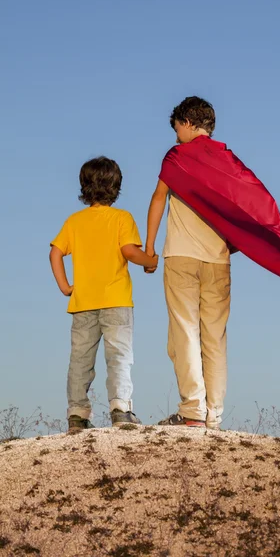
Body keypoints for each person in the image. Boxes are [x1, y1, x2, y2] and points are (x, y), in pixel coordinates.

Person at [50, 156, 158, 431]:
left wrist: (65, 287)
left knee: (80, 361)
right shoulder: (122, 218)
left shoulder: (75, 221)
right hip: (116, 302)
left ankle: (77, 414)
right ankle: (120, 410)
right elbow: (129, 252)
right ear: (117, 187)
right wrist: (150, 260)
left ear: (84, 186)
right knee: (119, 356)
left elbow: (55, 252)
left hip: (83, 302)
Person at [145, 97, 231, 429]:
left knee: (184, 332)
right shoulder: (226, 159)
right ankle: (214, 414)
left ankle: (193, 410)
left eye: (177, 128)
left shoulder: (178, 156)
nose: (176, 135)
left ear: (188, 122)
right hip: (218, 260)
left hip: (181, 254)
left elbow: (158, 197)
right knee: (215, 337)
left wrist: (150, 249)